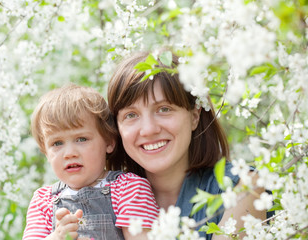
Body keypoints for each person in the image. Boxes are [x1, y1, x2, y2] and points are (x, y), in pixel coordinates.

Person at [107, 51, 267, 240]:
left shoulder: (243, 187)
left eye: (164, 109)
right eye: (131, 115)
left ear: (194, 116)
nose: (148, 130)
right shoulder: (99, 197)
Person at [22, 84, 159, 240]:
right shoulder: (43, 202)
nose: (69, 153)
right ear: (46, 152)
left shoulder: (129, 189)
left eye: (81, 139)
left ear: (109, 142)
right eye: (57, 143)